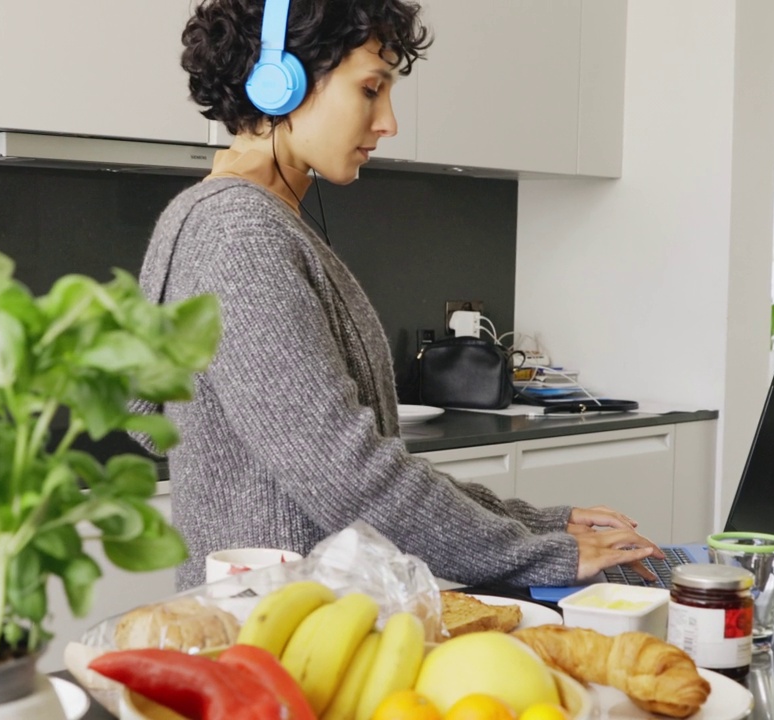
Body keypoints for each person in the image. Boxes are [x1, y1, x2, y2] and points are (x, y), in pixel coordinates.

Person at [135, 0, 664, 590]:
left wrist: (535, 523)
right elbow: (347, 476)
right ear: (278, 83)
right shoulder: (238, 234)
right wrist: (540, 554)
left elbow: (362, 464)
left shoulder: (253, 220)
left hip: (306, 623)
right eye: (370, 89)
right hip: (275, 644)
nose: (388, 122)